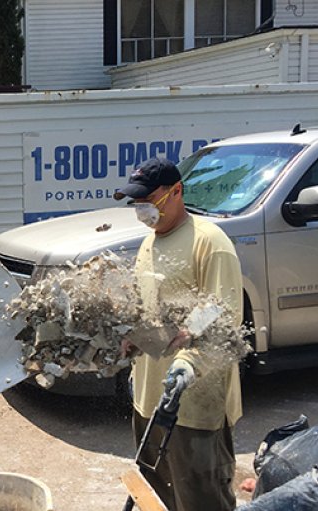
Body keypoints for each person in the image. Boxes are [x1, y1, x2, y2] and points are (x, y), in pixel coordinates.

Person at [115, 157, 244, 511]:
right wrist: (134, 340)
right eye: (136, 203)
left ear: (176, 192)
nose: (142, 209)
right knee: (158, 499)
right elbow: (157, 314)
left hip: (193, 408)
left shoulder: (209, 242)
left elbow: (221, 313)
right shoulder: (149, 243)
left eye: (148, 200)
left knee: (201, 501)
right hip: (149, 403)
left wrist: (188, 363)